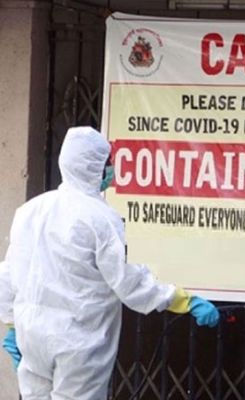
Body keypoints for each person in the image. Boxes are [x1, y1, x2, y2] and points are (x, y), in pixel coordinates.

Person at [0, 126, 219, 399]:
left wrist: (11, 324)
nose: (112, 169)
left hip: (31, 335)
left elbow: (9, 272)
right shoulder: (101, 218)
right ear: (94, 166)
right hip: (77, 342)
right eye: (109, 162)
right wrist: (182, 300)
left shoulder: (30, 210)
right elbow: (128, 282)